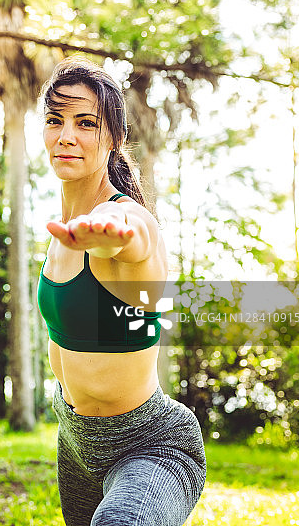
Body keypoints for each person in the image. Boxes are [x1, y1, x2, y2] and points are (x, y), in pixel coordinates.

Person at [36, 57, 206, 526]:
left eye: (85, 123)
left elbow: (139, 243)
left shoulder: (124, 220)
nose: (66, 136)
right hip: (76, 441)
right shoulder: (63, 233)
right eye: (56, 120)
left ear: (112, 138)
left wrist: (121, 237)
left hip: (151, 444)